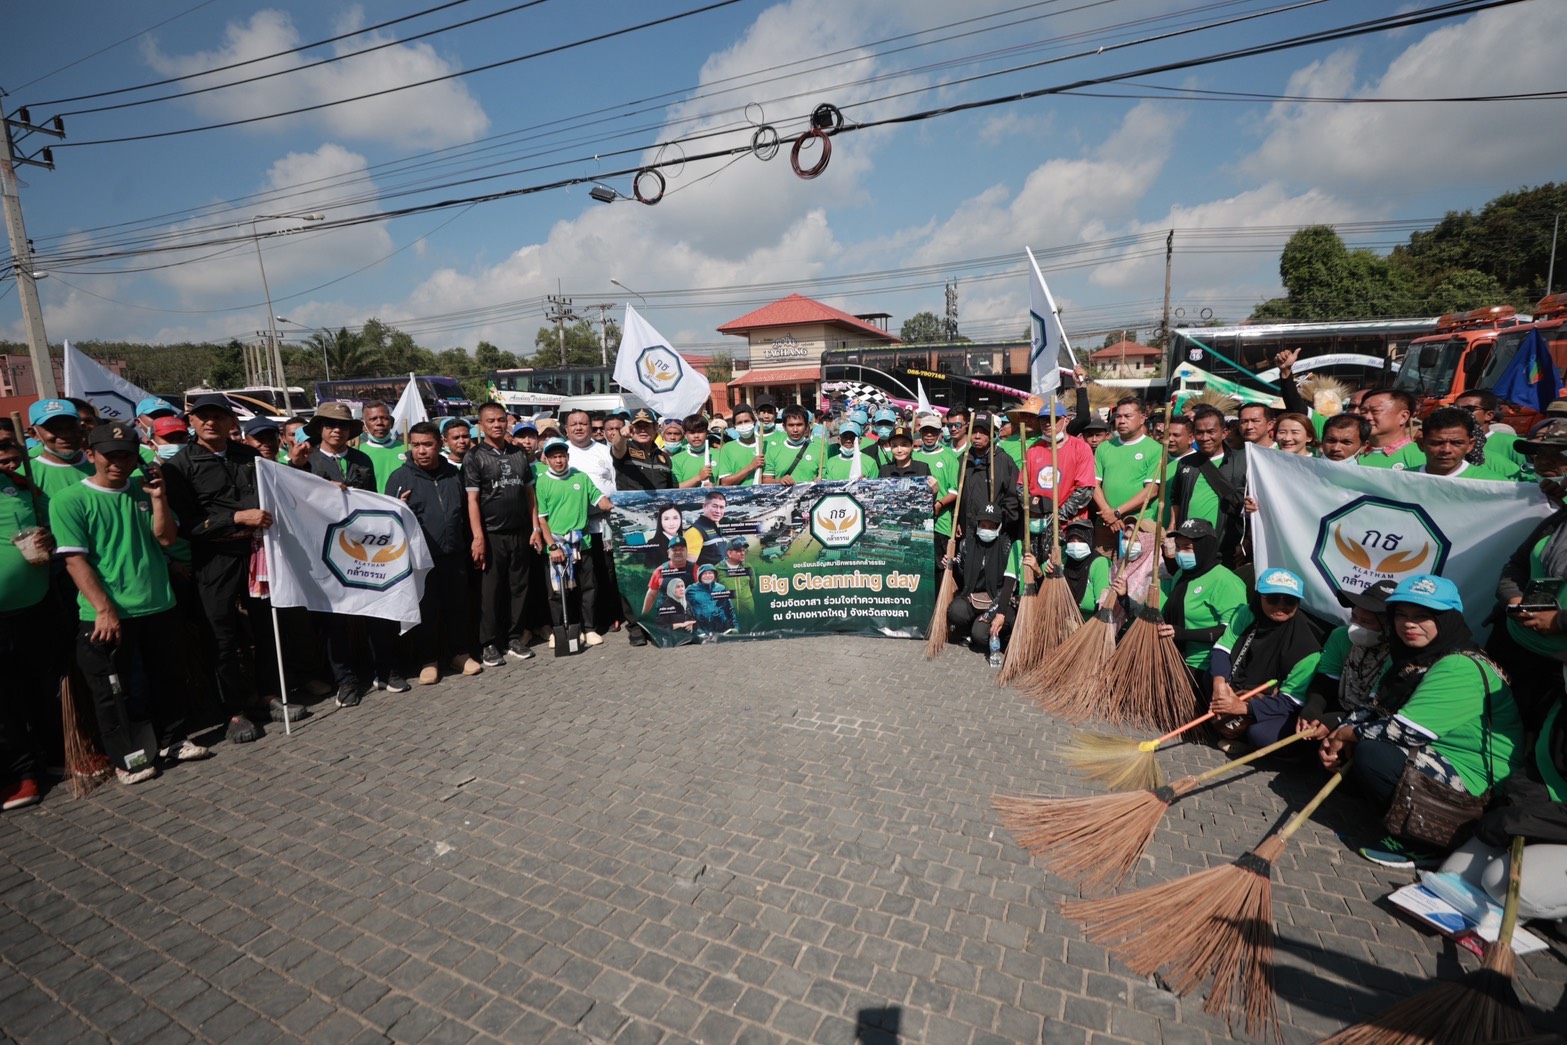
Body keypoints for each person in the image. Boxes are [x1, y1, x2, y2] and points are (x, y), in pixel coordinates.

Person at [1320, 575, 1524, 868]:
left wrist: (1349, 734)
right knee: (1348, 749)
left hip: (1475, 780)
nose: (1408, 624)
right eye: (1401, 614)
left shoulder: (1460, 665)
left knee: (1373, 754)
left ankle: (1427, 842)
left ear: (1448, 619)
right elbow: (1371, 707)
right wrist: (1338, 735)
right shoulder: (1405, 656)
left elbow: (1405, 731)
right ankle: (1397, 813)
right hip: (1432, 752)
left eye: (1423, 616)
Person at [50, 423, 208, 783]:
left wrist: (158, 499)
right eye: (111, 455)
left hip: (158, 604)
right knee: (112, 690)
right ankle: (127, 759)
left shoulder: (145, 489)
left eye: (127, 455)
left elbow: (167, 539)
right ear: (91, 455)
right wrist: (104, 610)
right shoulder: (70, 500)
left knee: (167, 677)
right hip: (107, 613)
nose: (119, 462)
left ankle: (173, 740)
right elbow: (75, 561)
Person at [160, 393, 295, 742]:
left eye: (217, 416)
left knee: (267, 626)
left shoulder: (248, 456)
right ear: (190, 421)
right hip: (214, 559)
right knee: (220, 636)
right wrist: (235, 517)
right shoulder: (178, 467)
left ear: (230, 422)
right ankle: (233, 712)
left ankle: (267, 695)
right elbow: (187, 526)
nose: (210, 423)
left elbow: (283, 492)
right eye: (202, 416)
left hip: (257, 553)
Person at [1438, 689, 1567, 921]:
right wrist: (1518, 799)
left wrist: (1526, 821)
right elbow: (1540, 770)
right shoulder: (1558, 702)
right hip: (1544, 819)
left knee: (1499, 883)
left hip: (1557, 825)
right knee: (1451, 877)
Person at [386, 422, 482, 684]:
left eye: (427, 444)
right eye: (415, 445)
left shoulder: (453, 474)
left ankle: (460, 654)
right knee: (426, 610)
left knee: (458, 606)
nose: (421, 451)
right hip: (420, 559)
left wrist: (473, 541)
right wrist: (399, 507)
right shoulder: (400, 477)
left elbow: (466, 510)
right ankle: (428, 660)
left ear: (439, 444)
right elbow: (388, 521)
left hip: (455, 554)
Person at [1490, 418, 1567, 729]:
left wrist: (1559, 620)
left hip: (1555, 666)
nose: (1543, 465)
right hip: (1516, 647)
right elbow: (1517, 565)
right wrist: (1514, 598)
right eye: (1539, 456)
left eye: (1555, 457)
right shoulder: (1557, 518)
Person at [1207, 568, 1324, 750]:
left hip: (1276, 703)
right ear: (1259, 597)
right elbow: (1223, 648)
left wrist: (1245, 708)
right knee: (1208, 677)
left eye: (1290, 601)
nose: (1280, 606)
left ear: (1299, 603)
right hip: (1237, 687)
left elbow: (1293, 701)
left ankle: (1245, 739)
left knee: (1261, 734)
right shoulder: (1246, 613)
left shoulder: (1307, 647)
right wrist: (1220, 685)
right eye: (1272, 598)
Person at [0, 439, 57, 810]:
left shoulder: (22, 487)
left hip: (37, 605)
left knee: (43, 684)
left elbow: (48, 527)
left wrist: (48, 537)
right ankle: (21, 775)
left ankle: (55, 757)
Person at [464, 402, 539, 667]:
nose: (497, 425)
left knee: (519, 588)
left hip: (520, 532)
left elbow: (530, 493)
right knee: (490, 592)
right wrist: (478, 537)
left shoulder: (519, 453)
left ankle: (514, 637)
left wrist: (536, 529)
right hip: (492, 534)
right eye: (491, 421)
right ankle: (488, 643)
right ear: (481, 425)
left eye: (501, 420)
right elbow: (472, 501)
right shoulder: (474, 457)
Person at [1287, 580, 1397, 739]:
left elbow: (1374, 707)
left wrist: (1336, 720)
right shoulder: (1341, 636)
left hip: (1372, 721)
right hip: (1338, 705)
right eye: (1354, 617)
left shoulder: (1397, 655)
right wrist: (1312, 711)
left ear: (1389, 625)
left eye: (1366, 621)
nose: (1356, 626)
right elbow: (1326, 681)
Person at [534, 436, 613, 647]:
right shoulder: (543, 481)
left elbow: (598, 498)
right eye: (553, 457)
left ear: (568, 457)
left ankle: (588, 628)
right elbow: (542, 518)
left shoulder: (581, 477)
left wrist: (612, 503)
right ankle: (563, 629)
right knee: (558, 591)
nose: (558, 460)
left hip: (582, 542)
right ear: (546, 459)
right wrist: (551, 545)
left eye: (561, 456)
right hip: (557, 545)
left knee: (588, 587)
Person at [1157, 519, 1248, 684]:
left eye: (1187, 547)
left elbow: (1233, 631)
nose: (1180, 552)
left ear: (1204, 547)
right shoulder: (1181, 575)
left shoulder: (1225, 581)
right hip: (1173, 660)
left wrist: (1183, 634)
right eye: (1178, 547)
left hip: (1204, 669)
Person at [563, 408, 623, 636]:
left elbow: (615, 484)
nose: (579, 427)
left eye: (584, 423)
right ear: (566, 429)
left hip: (603, 525)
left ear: (592, 427)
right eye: (574, 424)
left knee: (606, 572)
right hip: (573, 527)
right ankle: (587, 620)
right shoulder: (560, 453)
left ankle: (611, 615)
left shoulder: (605, 451)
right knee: (581, 576)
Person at [1167, 405, 1247, 567]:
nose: (1204, 438)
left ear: (1224, 433)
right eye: (1199, 432)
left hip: (1225, 547)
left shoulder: (1242, 462)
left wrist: (1247, 541)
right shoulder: (1186, 462)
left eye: (1211, 432)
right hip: (1188, 547)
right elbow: (1176, 498)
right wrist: (1172, 528)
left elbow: (1253, 506)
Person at [1023, 401, 1096, 561]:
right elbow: (1021, 487)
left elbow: (1085, 490)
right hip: (1037, 525)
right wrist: (1034, 509)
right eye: (1043, 420)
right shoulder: (1034, 450)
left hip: (1068, 528)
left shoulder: (1081, 448)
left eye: (1053, 419)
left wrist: (1057, 516)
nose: (1047, 424)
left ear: (1066, 420)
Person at [945, 503, 1021, 657]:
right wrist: (952, 565)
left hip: (997, 600)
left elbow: (1010, 585)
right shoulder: (967, 544)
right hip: (972, 597)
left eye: (991, 526)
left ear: (999, 527)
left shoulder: (1007, 547)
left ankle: (998, 636)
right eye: (983, 525)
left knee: (980, 637)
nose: (987, 529)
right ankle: (968, 630)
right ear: (977, 525)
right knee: (956, 611)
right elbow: (961, 579)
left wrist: (993, 612)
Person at [1092, 396, 1161, 538]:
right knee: (1102, 560)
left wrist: (1118, 512)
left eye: (1128, 416)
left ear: (1142, 418)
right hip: (1105, 523)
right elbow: (1094, 484)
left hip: (1138, 524)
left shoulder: (1155, 449)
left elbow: (1152, 490)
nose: (1122, 421)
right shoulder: (1104, 448)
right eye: (1118, 416)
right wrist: (1108, 513)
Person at [954, 412, 1019, 538]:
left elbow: (1012, 498)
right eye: (974, 432)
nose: (977, 436)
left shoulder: (1003, 461)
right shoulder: (963, 460)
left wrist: (1001, 522)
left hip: (992, 530)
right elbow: (956, 495)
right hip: (966, 529)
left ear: (991, 434)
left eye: (983, 432)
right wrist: (957, 520)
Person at [1414, 406, 1510, 481]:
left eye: (1457, 443)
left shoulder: (1495, 484)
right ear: (1421, 444)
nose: (1447, 450)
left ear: (1470, 445)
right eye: (1437, 443)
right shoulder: (1401, 480)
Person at [26, 399, 95, 501]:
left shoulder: (105, 464)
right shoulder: (24, 476)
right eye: (53, 428)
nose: (65, 435)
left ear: (82, 428)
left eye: (71, 427)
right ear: (34, 434)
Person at [1456, 390, 1530, 480]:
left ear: (1489, 415)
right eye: (1454, 408)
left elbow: (1529, 477)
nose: (1459, 413)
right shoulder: (1446, 444)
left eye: (1469, 409)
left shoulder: (1514, 443)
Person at [302, 403, 376, 489]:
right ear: (319, 428)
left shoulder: (363, 460)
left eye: (343, 425)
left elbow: (372, 497)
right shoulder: (307, 459)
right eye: (330, 424)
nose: (337, 430)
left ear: (350, 429)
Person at [1358, 389, 1426, 470]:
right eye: (1363, 412)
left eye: (1375, 411)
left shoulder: (1420, 456)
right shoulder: (1353, 454)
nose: (1367, 417)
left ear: (1403, 417)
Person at [613, 408, 675, 493]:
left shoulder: (664, 456)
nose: (642, 430)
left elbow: (669, 489)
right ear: (631, 428)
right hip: (630, 505)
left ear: (655, 427)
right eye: (638, 426)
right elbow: (617, 447)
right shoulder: (625, 450)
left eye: (647, 426)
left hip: (660, 505)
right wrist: (621, 434)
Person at [762, 405, 827, 485]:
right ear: (784, 427)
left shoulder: (819, 450)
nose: (795, 430)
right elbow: (766, 480)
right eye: (791, 425)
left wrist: (820, 481)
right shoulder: (772, 451)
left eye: (799, 425)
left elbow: (825, 478)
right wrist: (779, 481)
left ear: (807, 426)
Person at [358, 400, 406, 492]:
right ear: (364, 426)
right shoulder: (356, 452)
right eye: (373, 419)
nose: (379, 422)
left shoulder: (408, 449)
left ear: (391, 422)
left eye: (384, 418)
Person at [642, 538, 698, 616]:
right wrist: (644, 616)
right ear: (668, 553)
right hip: (665, 619)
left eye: (681, 549)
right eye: (674, 550)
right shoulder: (659, 571)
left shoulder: (696, 570)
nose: (678, 552)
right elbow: (651, 595)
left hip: (690, 616)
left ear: (687, 552)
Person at [717, 404, 768, 487]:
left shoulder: (765, 445)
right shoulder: (727, 448)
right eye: (739, 423)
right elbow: (725, 482)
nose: (744, 425)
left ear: (754, 422)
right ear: (734, 426)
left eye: (747, 421)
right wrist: (751, 467)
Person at [683, 490, 729, 566]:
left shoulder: (718, 526)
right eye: (714, 506)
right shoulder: (694, 532)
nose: (718, 511)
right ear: (705, 506)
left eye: (721, 507)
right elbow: (688, 568)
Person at [687, 563, 735, 634]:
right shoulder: (691, 590)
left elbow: (730, 609)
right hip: (700, 630)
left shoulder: (721, 588)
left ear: (715, 575)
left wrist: (735, 627)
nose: (708, 576)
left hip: (721, 629)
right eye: (704, 574)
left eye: (710, 573)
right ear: (699, 576)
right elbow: (685, 609)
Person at [671, 414, 716, 488]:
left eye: (700, 432)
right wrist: (698, 478)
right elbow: (676, 488)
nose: (696, 436)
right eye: (692, 432)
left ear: (707, 433)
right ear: (685, 435)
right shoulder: (677, 459)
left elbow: (726, 483)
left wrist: (717, 487)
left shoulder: (719, 454)